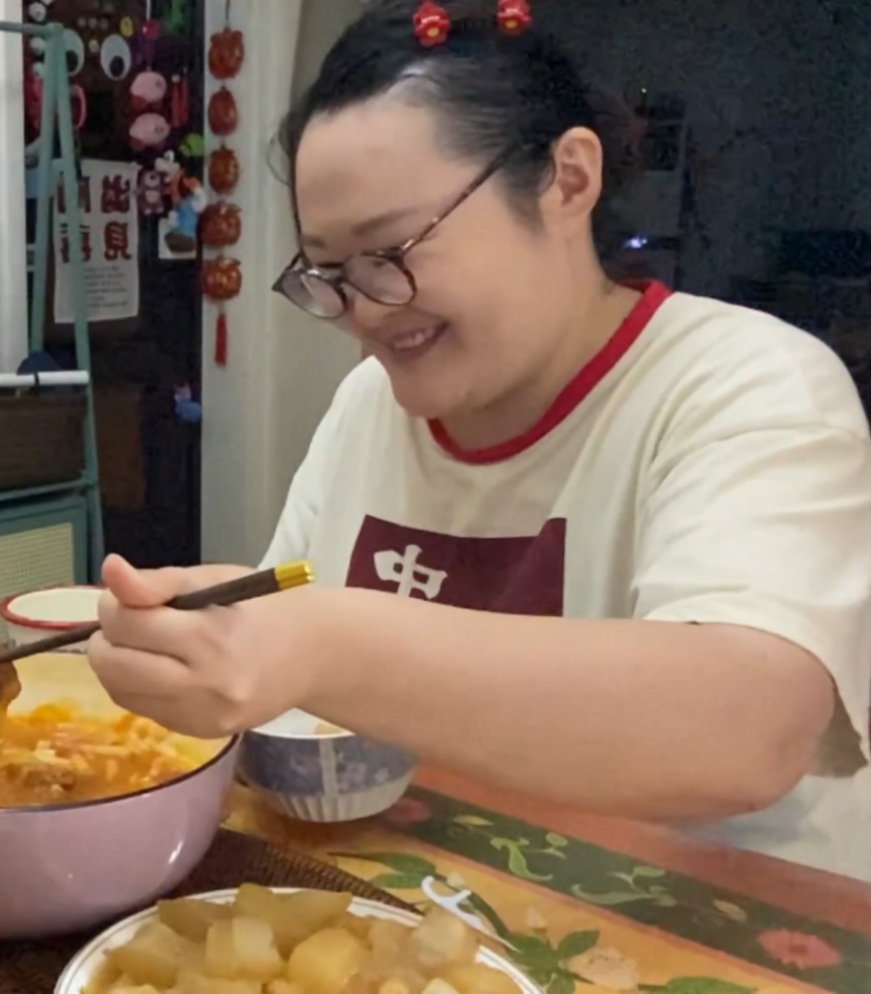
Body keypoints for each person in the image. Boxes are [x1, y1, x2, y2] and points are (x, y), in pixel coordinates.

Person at [88, 0, 871, 881]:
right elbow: (294, 596)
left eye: (393, 248)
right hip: (442, 895)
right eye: (330, 272)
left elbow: (746, 726)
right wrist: (218, 634)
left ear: (567, 181)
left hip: (715, 922)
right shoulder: (366, 406)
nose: (368, 310)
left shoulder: (745, 383)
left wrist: (318, 644)